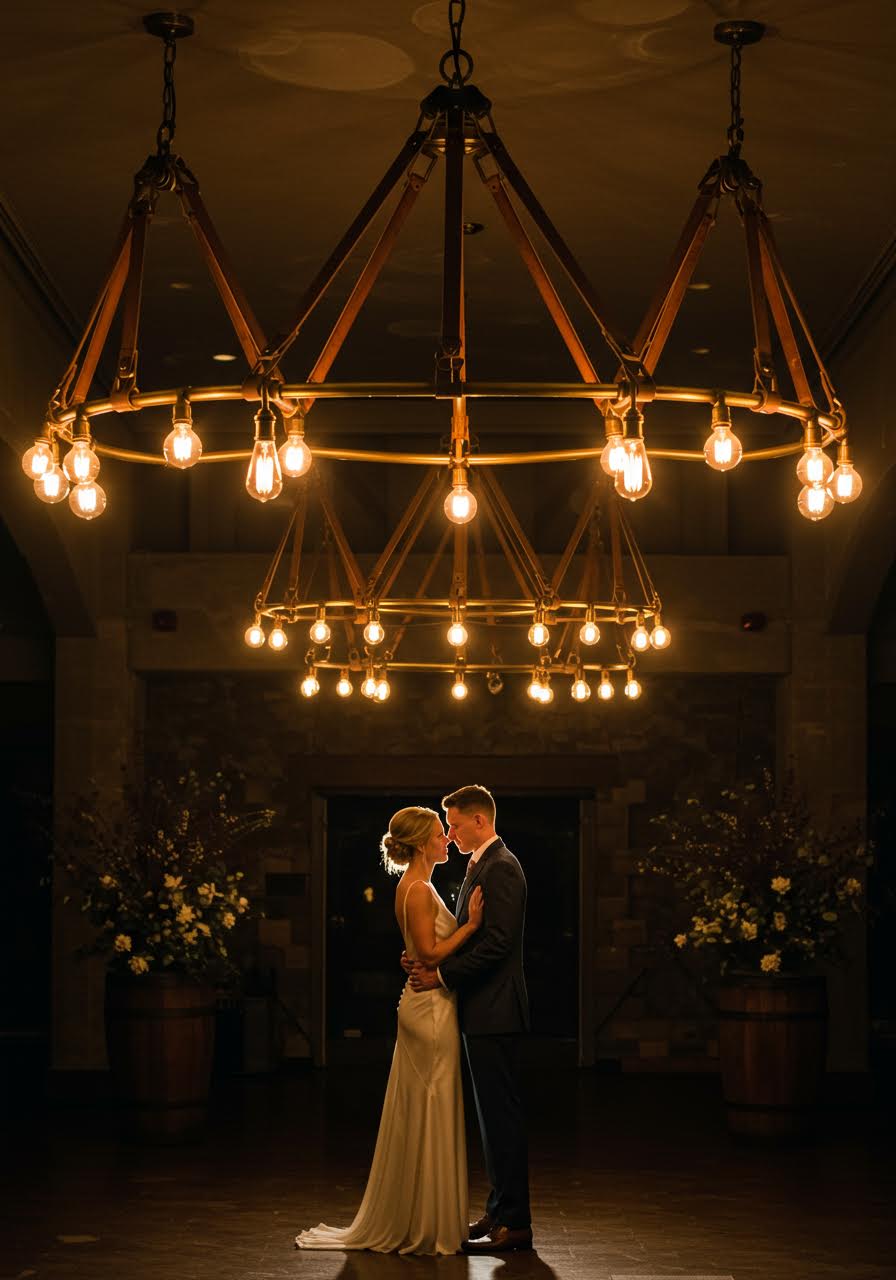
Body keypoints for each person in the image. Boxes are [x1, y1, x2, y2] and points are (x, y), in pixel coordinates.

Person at [295, 805, 483, 1256]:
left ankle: (425, 1213)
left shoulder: (418, 886)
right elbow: (432, 954)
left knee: (428, 1108)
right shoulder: (417, 889)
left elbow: (418, 950)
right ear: (421, 843)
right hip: (429, 1009)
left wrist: (419, 954)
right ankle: (424, 1222)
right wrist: (473, 925)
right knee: (431, 1106)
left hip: (429, 1005)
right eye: (440, 834)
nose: (447, 840)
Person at [408, 784, 532, 1254]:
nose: (451, 834)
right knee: (491, 1120)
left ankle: (515, 1224)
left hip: (496, 1010)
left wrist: (441, 975)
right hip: (483, 1009)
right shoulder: (483, 863)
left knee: (502, 1119)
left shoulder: (501, 867)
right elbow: (472, 936)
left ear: (481, 821)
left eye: (456, 826)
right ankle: (500, 1210)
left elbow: (498, 945)